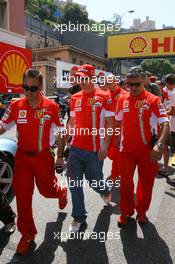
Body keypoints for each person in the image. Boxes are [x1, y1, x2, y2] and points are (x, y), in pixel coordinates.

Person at [0, 69, 67, 255]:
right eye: (25, 88)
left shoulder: (52, 106)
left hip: (43, 157)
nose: (29, 92)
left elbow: (61, 132)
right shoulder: (15, 105)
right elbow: (2, 127)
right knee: (22, 198)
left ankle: (61, 192)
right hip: (22, 158)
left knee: (47, 191)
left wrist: (60, 156)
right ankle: (27, 234)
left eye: (33, 88)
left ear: (41, 86)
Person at [115, 68, 169, 227]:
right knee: (125, 184)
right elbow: (118, 120)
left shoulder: (153, 100)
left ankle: (142, 212)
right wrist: (117, 136)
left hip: (148, 151)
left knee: (145, 184)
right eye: (128, 84)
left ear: (144, 81)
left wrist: (159, 145)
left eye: (136, 84)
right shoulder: (122, 99)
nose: (132, 88)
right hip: (126, 151)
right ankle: (126, 212)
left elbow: (165, 124)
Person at [67, 64, 114, 233]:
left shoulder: (104, 96)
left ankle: (105, 189)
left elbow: (110, 123)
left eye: (84, 78)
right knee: (74, 183)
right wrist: (66, 140)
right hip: (76, 149)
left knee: (94, 182)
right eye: (79, 78)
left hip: (95, 150)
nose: (81, 82)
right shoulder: (75, 97)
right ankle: (79, 217)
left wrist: (106, 145)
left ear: (92, 77)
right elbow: (72, 121)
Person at [106, 74, 127, 183]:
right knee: (110, 153)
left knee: (116, 154)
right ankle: (117, 172)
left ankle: (114, 175)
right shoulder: (106, 94)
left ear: (116, 82)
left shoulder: (124, 95)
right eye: (107, 83)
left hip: (120, 130)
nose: (108, 85)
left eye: (110, 83)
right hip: (108, 129)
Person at [162, 74, 175, 185]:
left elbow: (173, 111)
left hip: (173, 126)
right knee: (166, 147)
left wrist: (163, 113)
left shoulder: (174, 93)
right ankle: (166, 167)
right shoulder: (165, 90)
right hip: (169, 125)